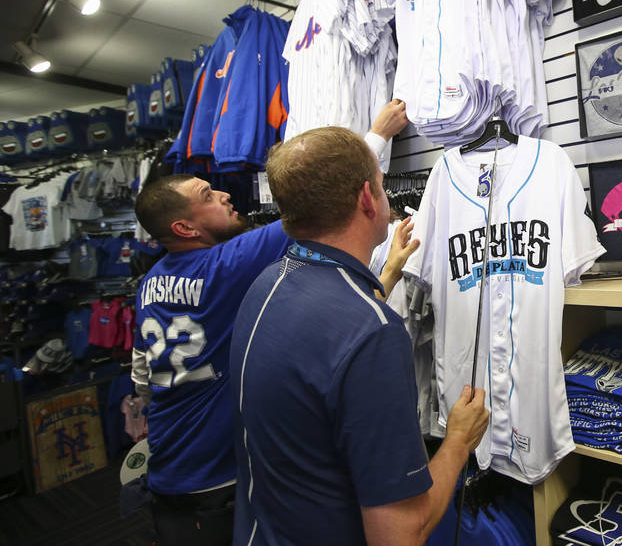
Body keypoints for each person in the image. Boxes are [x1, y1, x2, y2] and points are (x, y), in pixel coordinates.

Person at [131, 101, 408, 546]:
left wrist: (388, 272)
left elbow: (141, 375)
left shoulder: (149, 284)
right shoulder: (226, 266)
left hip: (168, 462)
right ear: (184, 228)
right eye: (208, 197)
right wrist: (375, 135)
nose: (223, 194)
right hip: (215, 479)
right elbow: (320, 208)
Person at [229, 126, 490, 546]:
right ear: (368, 198)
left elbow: (327, 341)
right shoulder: (374, 333)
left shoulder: (266, 284)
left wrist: (386, 275)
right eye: (384, 187)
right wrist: (459, 440)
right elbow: (402, 533)